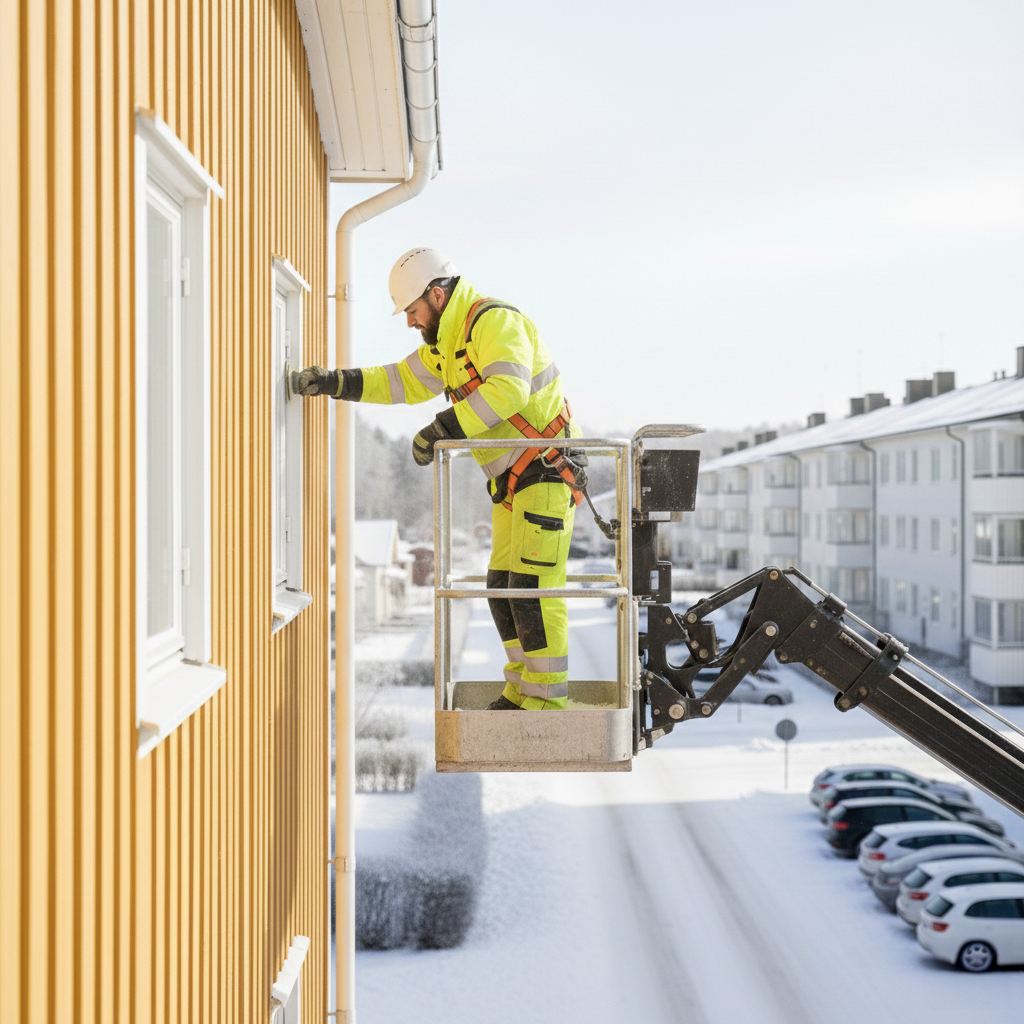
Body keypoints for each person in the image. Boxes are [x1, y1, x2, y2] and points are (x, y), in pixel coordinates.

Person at [293, 247, 584, 710]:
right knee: (501, 587)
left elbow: (509, 389)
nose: (408, 321)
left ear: (435, 295)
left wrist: (442, 429)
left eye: (411, 311)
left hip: (545, 472)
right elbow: (398, 381)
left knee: (530, 588)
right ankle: (523, 689)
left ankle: (547, 704)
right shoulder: (449, 346)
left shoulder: (494, 323)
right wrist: (335, 382)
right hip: (515, 479)